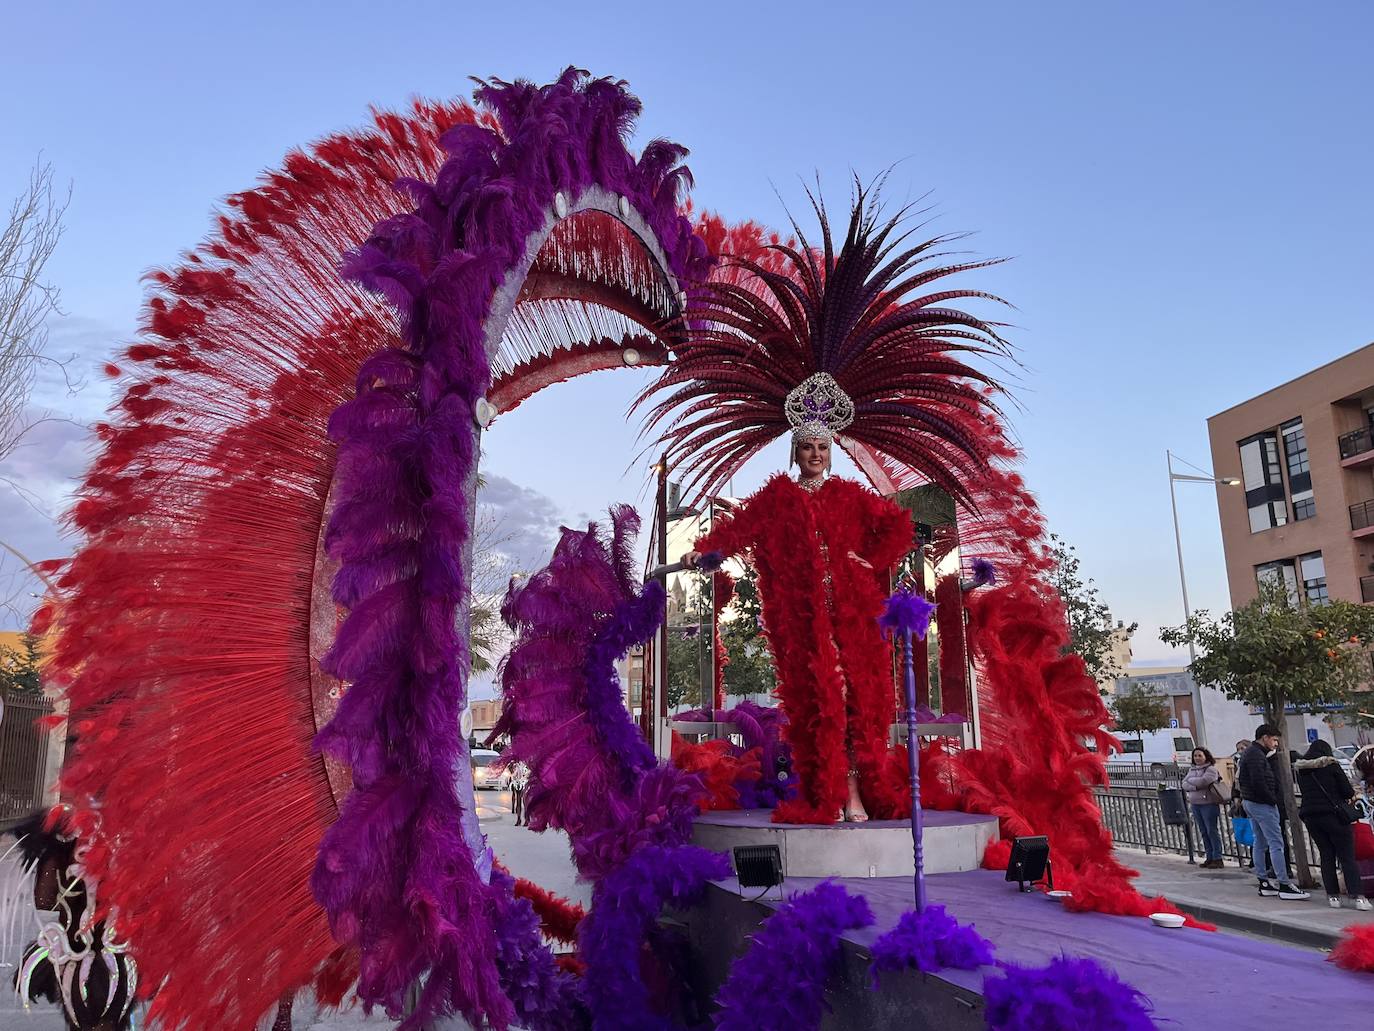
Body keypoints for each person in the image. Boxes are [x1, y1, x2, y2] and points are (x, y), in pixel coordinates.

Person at [683, 430, 914, 824]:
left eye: (823, 448)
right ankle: (832, 792)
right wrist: (704, 550)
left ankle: (855, 790)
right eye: (808, 447)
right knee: (820, 704)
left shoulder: (851, 497)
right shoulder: (778, 499)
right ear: (796, 452)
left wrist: (873, 559)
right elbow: (740, 527)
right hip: (804, 624)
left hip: (853, 616)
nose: (816, 454)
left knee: (854, 702)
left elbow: (899, 525)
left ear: (831, 453)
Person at [1295, 739, 1372, 911]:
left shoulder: (1302, 770)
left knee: (1326, 855)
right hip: (1334, 816)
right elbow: (1347, 791)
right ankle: (1358, 897)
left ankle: (1333, 897)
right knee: (1346, 857)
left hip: (1311, 817)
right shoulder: (1332, 766)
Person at [1237, 724, 1310, 900]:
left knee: (1260, 842)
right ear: (1265, 737)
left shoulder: (1251, 753)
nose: (1275, 743)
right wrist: (1272, 799)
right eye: (1274, 739)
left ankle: (1264, 882)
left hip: (1251, 802)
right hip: (1261, 803)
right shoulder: (1256, 755)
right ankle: (1284, 883)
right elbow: (1258, 781)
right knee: (1276, 843)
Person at [1181, 748, 1226, 868]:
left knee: (1211, 830)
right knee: (1203, 831)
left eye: (1200, 755)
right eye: (1195, 756)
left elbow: (1204, 781)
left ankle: (1217, 857)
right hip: (1196, 804)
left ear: (1206, 756)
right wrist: (1194, 785)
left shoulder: (1210, 769)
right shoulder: (1192, 770)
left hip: (1208, 804)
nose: (1197, 758)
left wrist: (1192, 783)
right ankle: (1209, 856)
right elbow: (1184, 784)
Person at [510, 760, 531, 826]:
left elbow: (530, 771)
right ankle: (518, 819)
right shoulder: (516, 764)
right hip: (518, 783)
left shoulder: (527, 762)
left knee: (525, 802)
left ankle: (527, 819)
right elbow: (514, 773)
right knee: (518, 802)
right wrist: (514, 777)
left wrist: (525, 777)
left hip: (525, 783)